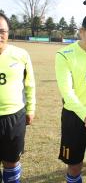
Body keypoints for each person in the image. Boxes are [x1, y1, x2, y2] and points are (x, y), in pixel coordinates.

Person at [55, 13, 86, 183]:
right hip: (74, 117)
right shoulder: (64, 54)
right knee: (74, 166)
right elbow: (67, 92)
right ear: (82, 31)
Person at [0, 13, 36, 183]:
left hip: (14, 116)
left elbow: (29, 84)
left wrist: (31, 108)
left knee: (11, 162)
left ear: (8, 32)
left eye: (2, 31)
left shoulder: (21, 54)